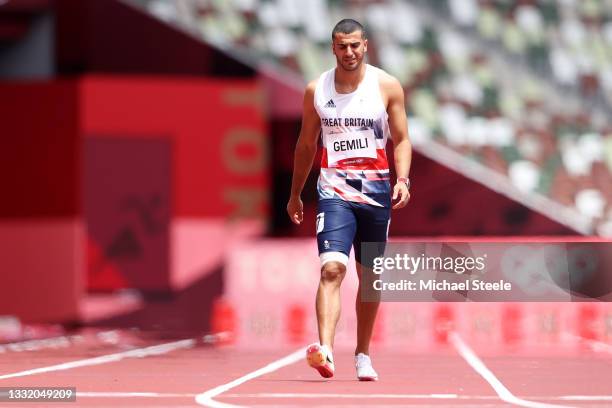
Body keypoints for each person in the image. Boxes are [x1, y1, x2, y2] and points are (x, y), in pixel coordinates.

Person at [286, 18, 412, 381]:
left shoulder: (386, 85)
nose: (349, 52)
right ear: (332, 48)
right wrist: (295, 194)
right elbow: (306, 145)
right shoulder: (316, 90)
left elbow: (402, 139)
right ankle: (325, 349)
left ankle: (362, 353)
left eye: (355, 45)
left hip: (375, 194)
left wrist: (402, 179)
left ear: (366, 45)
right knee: (331, 269)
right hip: (334, 192)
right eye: (342, 46)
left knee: (370, 278)